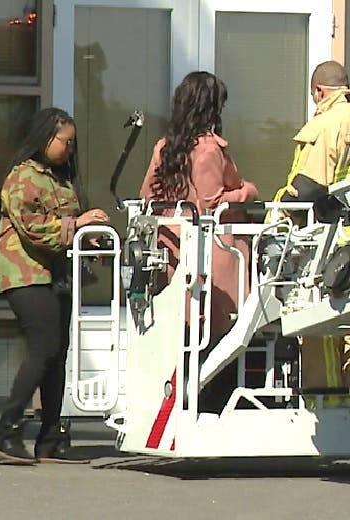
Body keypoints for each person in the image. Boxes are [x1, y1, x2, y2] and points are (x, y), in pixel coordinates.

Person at [0, 107, 110, 464]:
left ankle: (51, 439)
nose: (70, 149)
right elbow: (33, 228)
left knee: (58, 353)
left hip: (55, 272)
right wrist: (78, 224)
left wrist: (92, 238)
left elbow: (66, 227)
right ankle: (6, 430)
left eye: (73, 143)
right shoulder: (22, 177)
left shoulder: (62, 180)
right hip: (23, 270)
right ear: (45, 137)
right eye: (64, 141)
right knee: (44, 345)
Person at [273, 60, 350, 408]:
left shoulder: (324, 127)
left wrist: (278, 213)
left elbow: (307, 189)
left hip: (328, 248)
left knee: (319, 330)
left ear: (320, 91)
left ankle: (327, 406)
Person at [139, 71, 259, 412]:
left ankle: (181, 404)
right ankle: (207, 408)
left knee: (186, 332)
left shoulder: (165, 146)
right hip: (213, 250)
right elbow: (211, 200)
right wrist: (247, 191)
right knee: (221, 336)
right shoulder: (207, 149)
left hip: (175, 247)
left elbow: (148, 195)